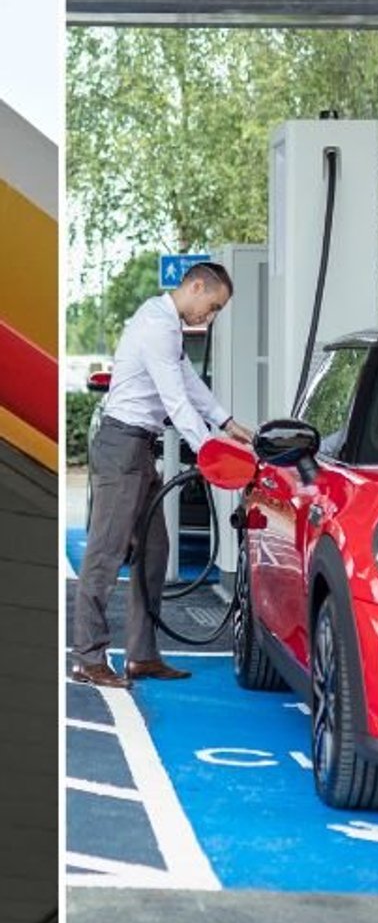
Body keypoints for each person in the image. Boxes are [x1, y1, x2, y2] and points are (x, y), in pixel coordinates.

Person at [70, 261, 255, 688]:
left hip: (139, 447)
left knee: (155, 550)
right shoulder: (157, 324)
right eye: (211, 307)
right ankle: (88, 658)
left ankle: (142, 655)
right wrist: (209, 449)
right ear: (195, 286)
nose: (208, 319)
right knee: (105, 553)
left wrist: (226, 424)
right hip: (122, 447)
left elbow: (189, 383)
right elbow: (175, 399)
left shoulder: (168, 328)